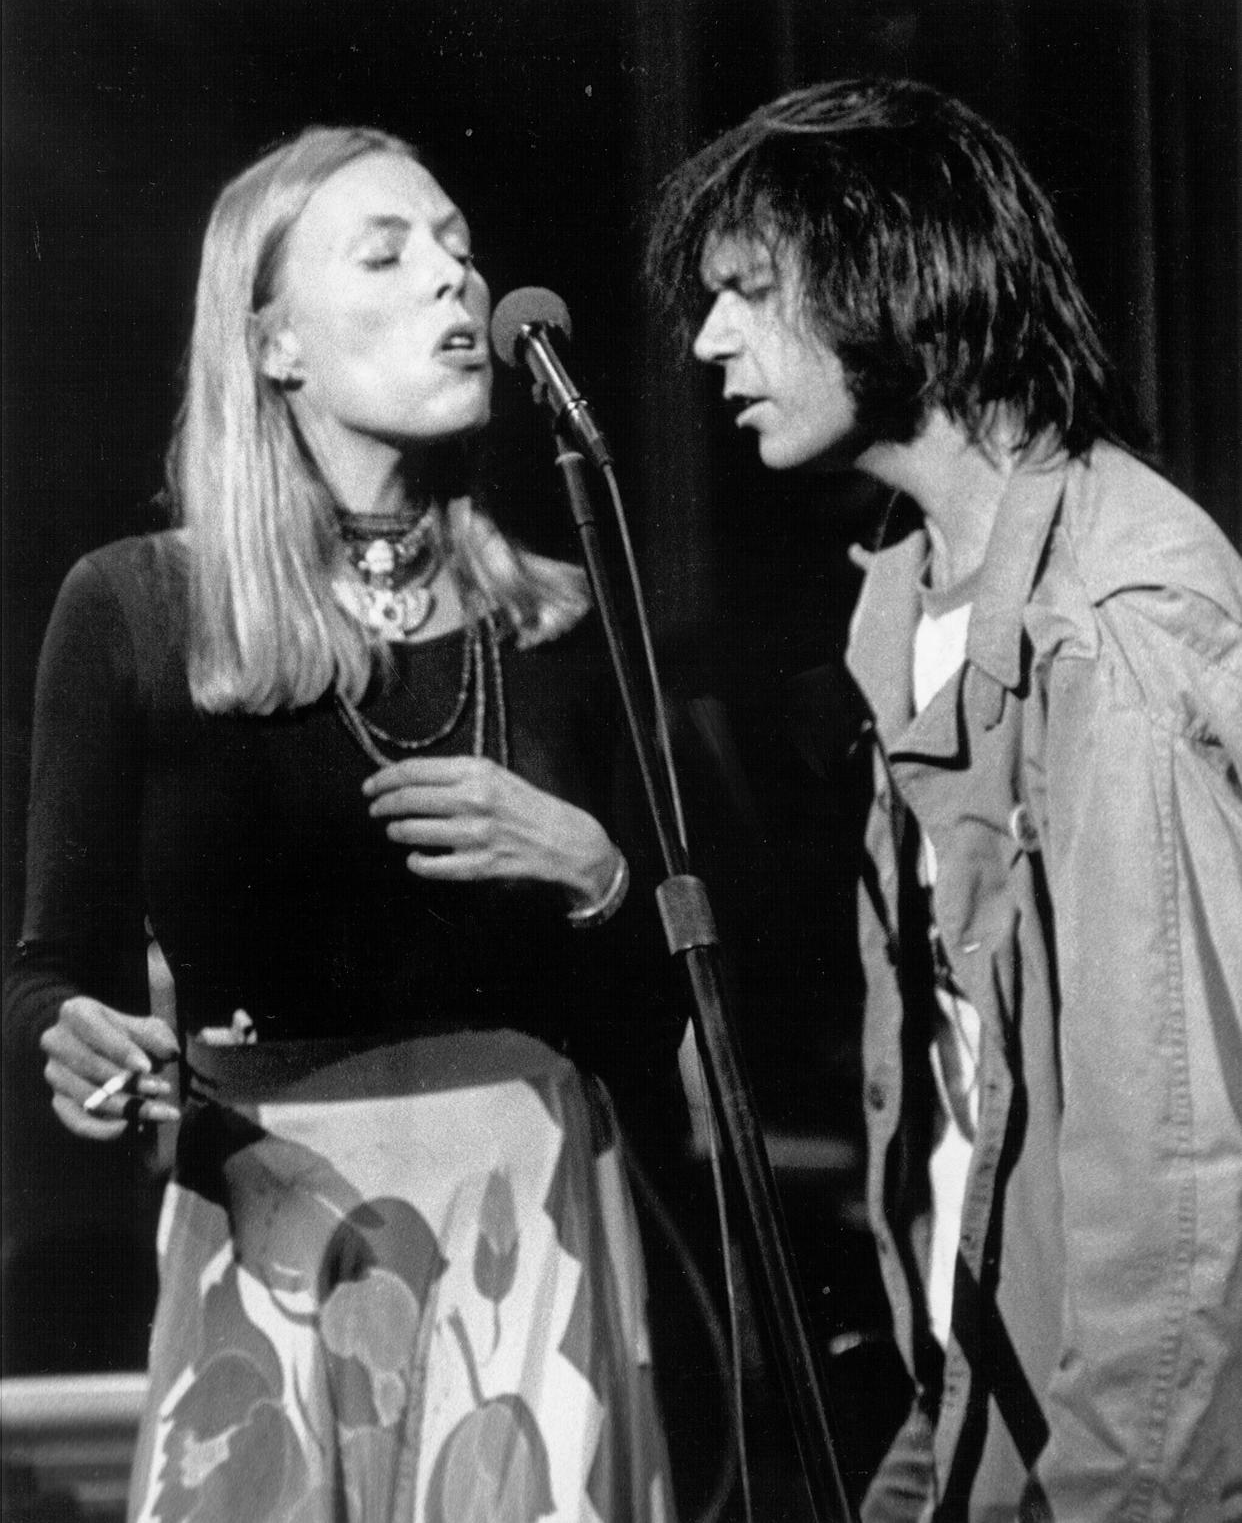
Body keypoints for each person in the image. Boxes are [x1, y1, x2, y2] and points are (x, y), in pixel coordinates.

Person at [5, 125, 685, 1521]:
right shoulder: (137, 610)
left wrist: (597, 870)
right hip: (271, 1206)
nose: (454, 282)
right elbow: (46, 970)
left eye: (457, 248)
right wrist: (74, 1043)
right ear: (273, 347)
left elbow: (679, 1021)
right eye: (387, 253)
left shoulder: (557, 616)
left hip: (529, 1211)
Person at [647, 78, 1242, 1520]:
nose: (709, 338)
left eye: (749, 289)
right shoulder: (907, 599)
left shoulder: (1107, 624)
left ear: (892, 277)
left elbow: (1169, 1165)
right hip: (979, 1393)